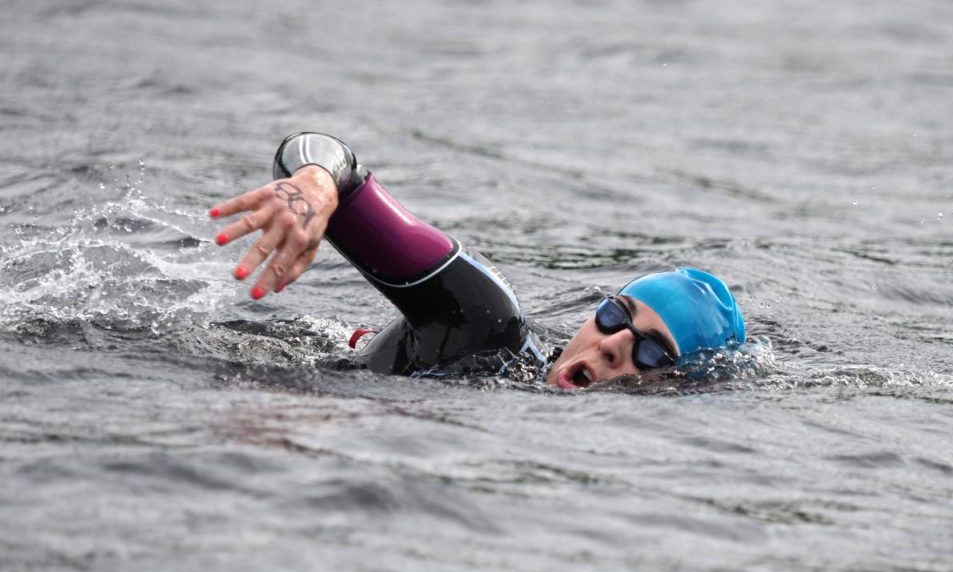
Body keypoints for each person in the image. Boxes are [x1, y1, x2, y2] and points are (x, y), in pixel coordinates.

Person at [210, 133, 745, 389]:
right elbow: (326, 154)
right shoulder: (485, 324)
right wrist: (315, 186)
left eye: (650, 353)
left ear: (676, 384)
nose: (610, 346)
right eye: (614, 315)